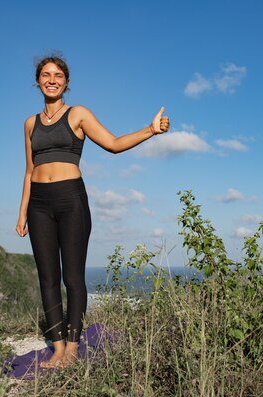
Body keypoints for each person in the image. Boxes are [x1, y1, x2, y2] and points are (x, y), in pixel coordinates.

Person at [15, 55, 170, 369]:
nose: (52, 79)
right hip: (39, 205)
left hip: (71, 199)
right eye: (46, 74)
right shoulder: (30, 123)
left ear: (66, 82)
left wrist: (149, 130)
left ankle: (72, 349)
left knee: (73, 277)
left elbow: (113, 144)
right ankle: (57, 349)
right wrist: (22, 214)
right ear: (37, 81)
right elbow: (30, 171)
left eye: (58, 75)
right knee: (47, 278)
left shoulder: (78, 114)